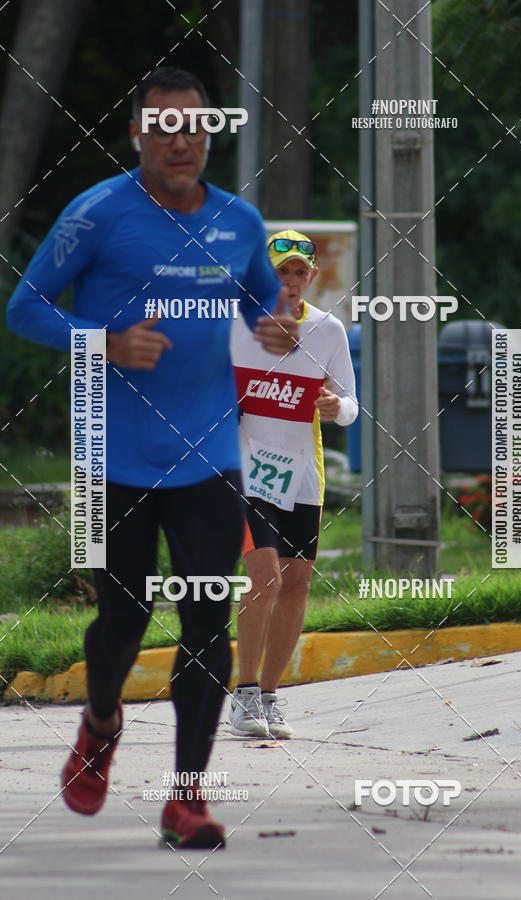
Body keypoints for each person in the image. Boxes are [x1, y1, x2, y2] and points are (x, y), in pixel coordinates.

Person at [5, 66, 298, 849]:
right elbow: (24, 307)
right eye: (163, 126)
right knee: (123, 620)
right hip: (114, 456)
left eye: (195, 126)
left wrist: (275, 324)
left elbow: (263, 300)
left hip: (207, 455)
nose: (181, 140)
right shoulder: (97, 215)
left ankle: (188, 797)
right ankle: (100, 723)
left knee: (208, 619)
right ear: (136, 134)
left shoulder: (240, 222)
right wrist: (103, 341)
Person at [229, 229, 358, 739]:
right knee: (267, 579)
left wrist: (334, 407)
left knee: (297, 584)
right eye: (280, 271)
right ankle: (243, 697)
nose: (290, 280)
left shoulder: (328, 331)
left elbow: (350, 405)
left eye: (299, 271)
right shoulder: (238, 329)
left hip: (304, 474)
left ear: (312, 277)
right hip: (244, 471)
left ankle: (270, 697)